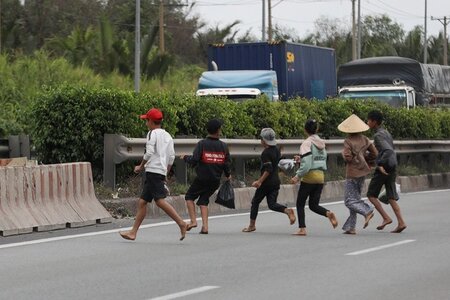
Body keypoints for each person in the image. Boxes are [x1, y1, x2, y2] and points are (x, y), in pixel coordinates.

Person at [119, 108, 187, 241]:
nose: (146, 123)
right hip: (159, 171)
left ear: (151, 121)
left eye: (146, 120)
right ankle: (133, 232)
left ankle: (181, 223)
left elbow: (149, 153)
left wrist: (140, 166)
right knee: (142, 202)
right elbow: (171, 157)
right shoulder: (168, 136)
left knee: (160, 201)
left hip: (152, 172)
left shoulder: (152, 133)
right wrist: (165, 172)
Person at [182, 119, 231, 234]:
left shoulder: (202, 144)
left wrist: (185, 158)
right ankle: (205, 227)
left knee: (189, 197)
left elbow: (194, 160)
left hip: (202, 178)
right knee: (204, 200)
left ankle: (193, 221)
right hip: (215, 180)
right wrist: (228, 175)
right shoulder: (224, 146)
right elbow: (226, 163)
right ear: (218, 130)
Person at [242, 128, 296, 233]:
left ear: (264, 140)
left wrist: (259, 181)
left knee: (255, 202)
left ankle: (251, 225)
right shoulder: (276, 149)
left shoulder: (265, 153)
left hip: (266, 183)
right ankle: (287, 210)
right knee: (272, 204)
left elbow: (268, 169)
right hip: (276, 181)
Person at [291, 119, 338, 236]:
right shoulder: (321, 143)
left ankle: (302, 229)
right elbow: (317, 159)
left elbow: (307, 164)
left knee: (300, 203)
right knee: (313, 205)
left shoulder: (306, 143)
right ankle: (328, 213)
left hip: (309, 176)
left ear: (305, 129)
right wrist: (301, 159)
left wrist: (297, 176)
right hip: (320, 176)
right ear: (316, 129)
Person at [366, 110, 407, 233]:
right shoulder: (386, 133)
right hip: (393, 165)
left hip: (384, 168)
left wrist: (380, 164)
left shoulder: (377, 135)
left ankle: (386, 217)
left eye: (368, 120)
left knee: (371, 195)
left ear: (374, 122)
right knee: (391, 196)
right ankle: (401, 222)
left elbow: (387, 150)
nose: (367, 122)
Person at [338, 114, 378, 234]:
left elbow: (348, 158)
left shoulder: (348, 141)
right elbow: (375, 153)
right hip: (363, 171)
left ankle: (367, 211)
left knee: (349, 201)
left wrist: (343, 156)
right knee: (355, 198)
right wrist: (366, 159)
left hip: (353, 172)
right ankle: (351, 227)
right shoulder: (365, 139)